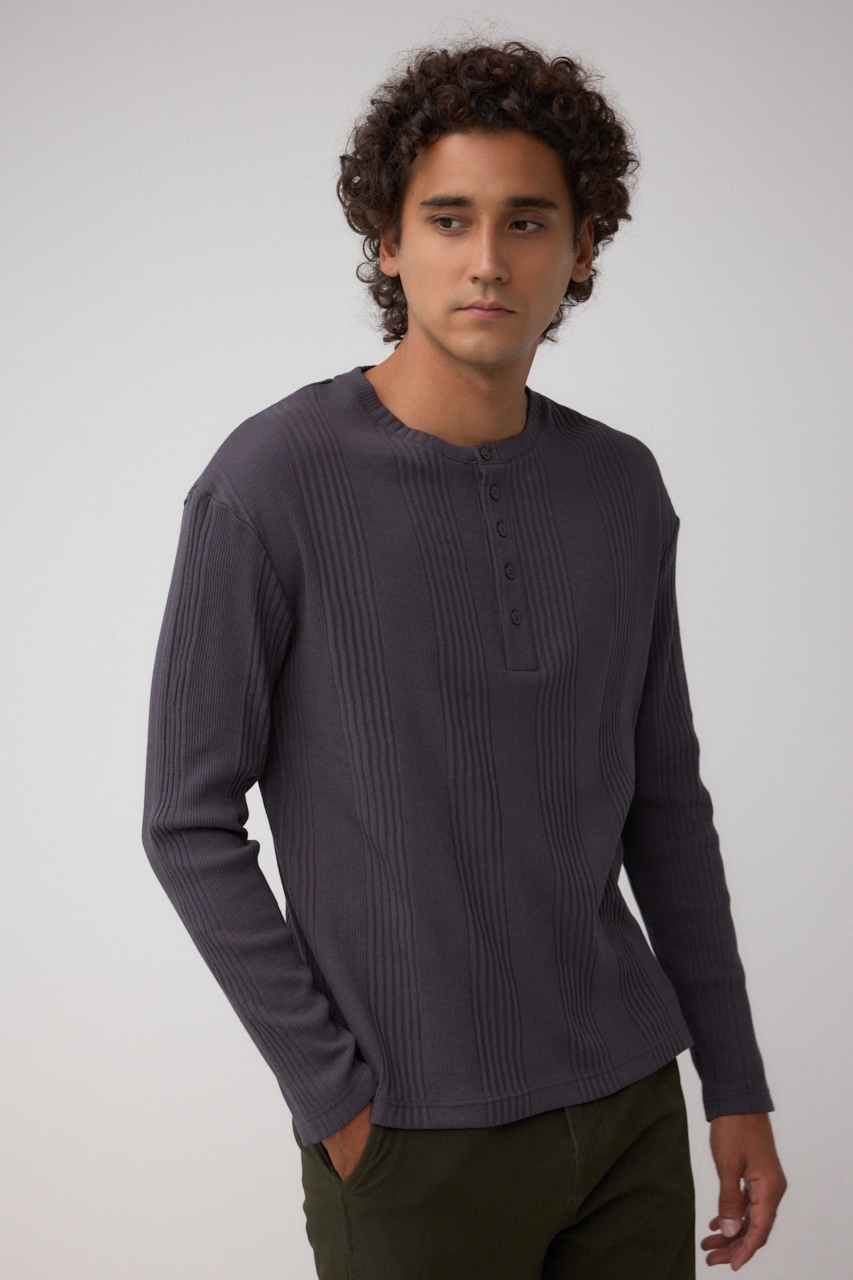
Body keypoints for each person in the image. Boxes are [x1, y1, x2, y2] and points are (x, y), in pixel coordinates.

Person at [142, 37, 786, 1279]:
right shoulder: (268, 483)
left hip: (628, 1106)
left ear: (581, 248)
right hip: (409, 1133)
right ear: (388, 241)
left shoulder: (621, 486)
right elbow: (185, 817)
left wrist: (734, 1079)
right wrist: (335, 1097)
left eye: (526, 221)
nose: (487, 258)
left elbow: (664, 801)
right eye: (448, 218)